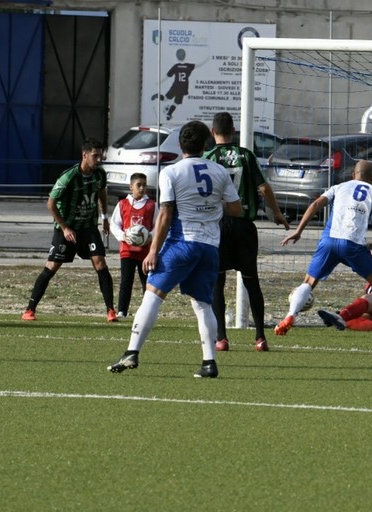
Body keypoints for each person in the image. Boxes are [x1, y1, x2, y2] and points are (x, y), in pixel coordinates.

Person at [107, 120, 242, 378]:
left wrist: (153, 250)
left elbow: (166, 214)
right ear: (206, 144)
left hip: (182, 243)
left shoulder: (172, 172)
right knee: (203, 303)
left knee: (153, 293)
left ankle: (132, 352)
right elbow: (236, 209)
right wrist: (213, 207)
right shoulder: (219, 171)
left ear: (181, 144)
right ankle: (209, 363)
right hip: (209, 247)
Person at [274, 160, 372, 340]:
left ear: (353, 175)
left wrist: (298, 231)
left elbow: (315, 205)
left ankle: (290, 315)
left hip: (330, 241)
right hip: (353, 244)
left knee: (308, 282)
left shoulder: (339, 187)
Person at [203, 111, 290, 352]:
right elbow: (263, 188)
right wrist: (277, 213)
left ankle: (221, 338)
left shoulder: (208, 157)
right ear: (233, 132)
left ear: (213, 132)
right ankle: (260, 337)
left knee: (217, 282)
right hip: (244, 225)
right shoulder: (246, 155)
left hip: (218, 225)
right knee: (252, 281)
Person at [22, 137, 118, 322]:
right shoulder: (69, 177)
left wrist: (105, 217)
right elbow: (50, 203)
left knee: (100, 263)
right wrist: (65, 228)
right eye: (95, 156)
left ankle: (110, 311)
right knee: (52, 266)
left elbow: (102, 193)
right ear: (85, 155)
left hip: (88, 227)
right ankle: (29, 309)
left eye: (100, 157)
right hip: (67, 230)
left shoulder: (100, 174)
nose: (99, 160)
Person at [109, 172, 156, 319]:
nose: (142, 188)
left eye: (144, 185)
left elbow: (159, 225)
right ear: (131, 187)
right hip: (127, 250)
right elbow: (114, 224)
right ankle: (122, 311)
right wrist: (123, 236)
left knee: (147, 282)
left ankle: (147, 312)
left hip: (145, 252)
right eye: (138, 185)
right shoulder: (123, 204)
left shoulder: (152, 205)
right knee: (126, 281)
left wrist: (150, 236)